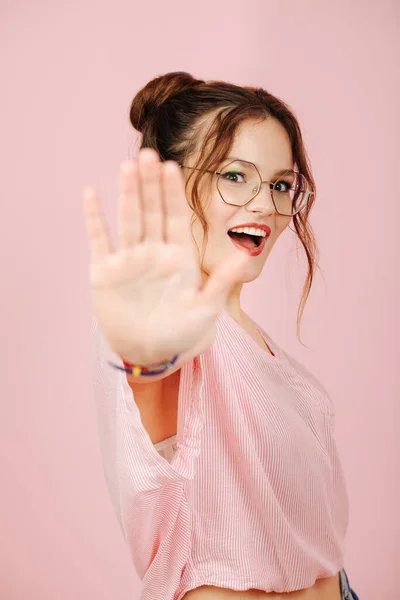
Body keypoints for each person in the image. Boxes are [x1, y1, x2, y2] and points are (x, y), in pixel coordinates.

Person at [83, 72, 360, 600]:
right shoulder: (166, 323)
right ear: (165, 182)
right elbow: (150, 377)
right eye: (236, 176)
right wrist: (145, 359)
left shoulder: (250, 338)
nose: (264, 205)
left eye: (280, 184)